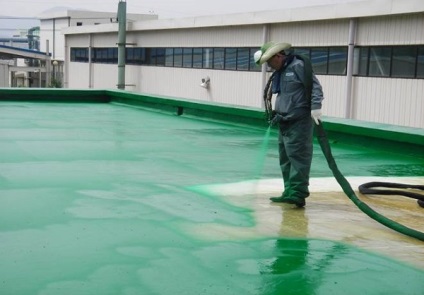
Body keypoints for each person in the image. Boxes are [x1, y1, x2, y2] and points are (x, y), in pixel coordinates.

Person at [253, 42, 324, 208]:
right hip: (284, 121)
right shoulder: (282, 71)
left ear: (278, 56)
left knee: (298, 158)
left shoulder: (298, 66)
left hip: (299, 121)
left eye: (270, 62)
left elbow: (316, 88)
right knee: (285, 159)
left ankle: (298, 194)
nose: (270, 66)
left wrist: (316, 107)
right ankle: (289, 191)